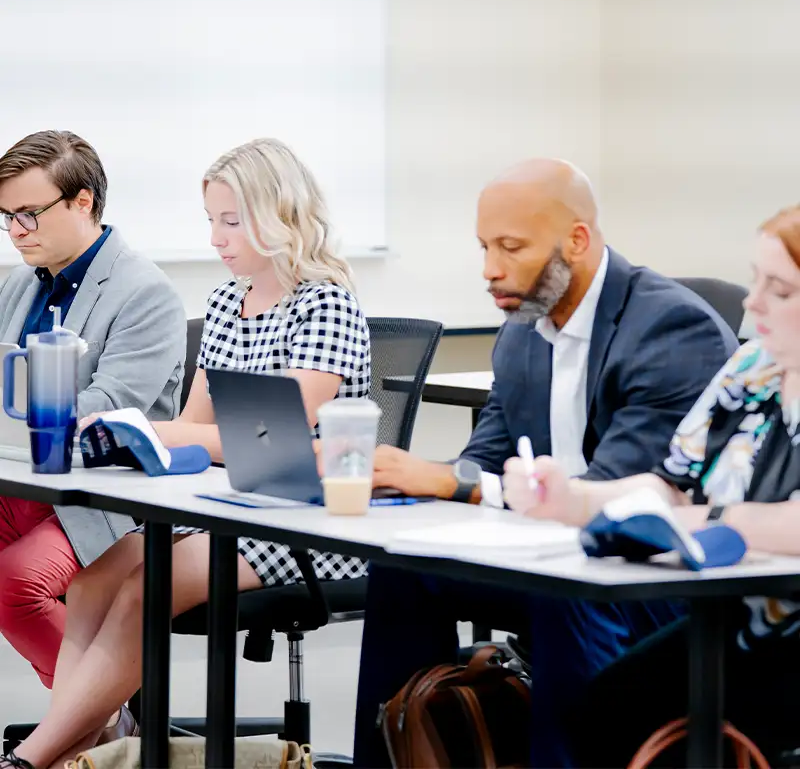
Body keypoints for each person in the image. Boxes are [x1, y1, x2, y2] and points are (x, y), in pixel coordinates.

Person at [352, 158, 741, 768]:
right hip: (547, 557)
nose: (490, 269)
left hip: (648, 572)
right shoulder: (523, 327)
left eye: (511, 247)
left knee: (568, 593)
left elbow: (616, 496)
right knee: (402, 564)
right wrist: (412, 483)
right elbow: (485, 459)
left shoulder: (671, 328)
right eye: (484, 247)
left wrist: (455, 484)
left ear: (577, 241)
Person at [2, 137, 371, 769]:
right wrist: (142, 432)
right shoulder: (228, 300)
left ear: (280, 216)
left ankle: (34, 758)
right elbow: (199, 424)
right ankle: (85, 751)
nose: (215, 239)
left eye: (231, 222)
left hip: (299, 514)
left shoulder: (326, 302)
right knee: (92, 585)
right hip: (223, 499)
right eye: (211, 221)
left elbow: (271, 437)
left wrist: (165, 433)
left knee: (145, 593)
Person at [502, 204, 800, 766]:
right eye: (756, 280)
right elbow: (674, 486)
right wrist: (573, 500)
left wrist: (715, 522)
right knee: (602, 709)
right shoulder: (752, 368)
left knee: (639, 717)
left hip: (786, 630)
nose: (752, 301)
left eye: (779, 291)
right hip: (737, 614)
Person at [0, 131, 185, 690]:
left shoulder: (144, 292)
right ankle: (99, 729)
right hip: (23, 480)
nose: (15, 232)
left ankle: (107, 724)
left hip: (104, 495)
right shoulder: (18, 286)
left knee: (14, 584)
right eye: (6, 216)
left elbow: (107, 410)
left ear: (83, 202)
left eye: (28, 214)